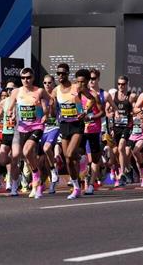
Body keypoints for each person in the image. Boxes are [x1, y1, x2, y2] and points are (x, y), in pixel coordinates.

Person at [52, 65, 95, 200]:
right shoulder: (56, 90)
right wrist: (51, 107)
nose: (60, 76)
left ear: (67, 74)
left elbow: (92, 99)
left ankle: (77, 185)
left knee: (69, 154)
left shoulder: (77, 87)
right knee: (67, 159)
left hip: (77, 124)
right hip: (64, 124)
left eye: (63, 73)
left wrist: (85, 112)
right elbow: (53, 109)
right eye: (58, 73)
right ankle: (76, 185)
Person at [9, 67, 50, 197]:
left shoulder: (39, 91)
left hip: (36, 126)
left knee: (27, 151)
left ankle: (36, 177)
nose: (25, 80)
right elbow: (10, 107)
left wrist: (46, 114)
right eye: (23, 78)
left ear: (32, 78)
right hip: (21, 127)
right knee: (20, 156)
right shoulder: (16, 92)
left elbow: (51, 101)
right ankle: (24, 181)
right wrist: (12, 114)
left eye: (28, 77)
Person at [109, 75, 137, 187]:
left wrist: (134, 112)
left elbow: (135, 109)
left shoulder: (131, 96)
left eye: (123, 84)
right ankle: (128, 168)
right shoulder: (113, 96)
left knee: (121, 147)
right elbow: (107, 110)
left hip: (127, 126)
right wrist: (111, 114)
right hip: (116, 127)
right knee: (117, 151)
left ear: (127, 84)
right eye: (119, 84)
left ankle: (122, 174)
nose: (121, 86)